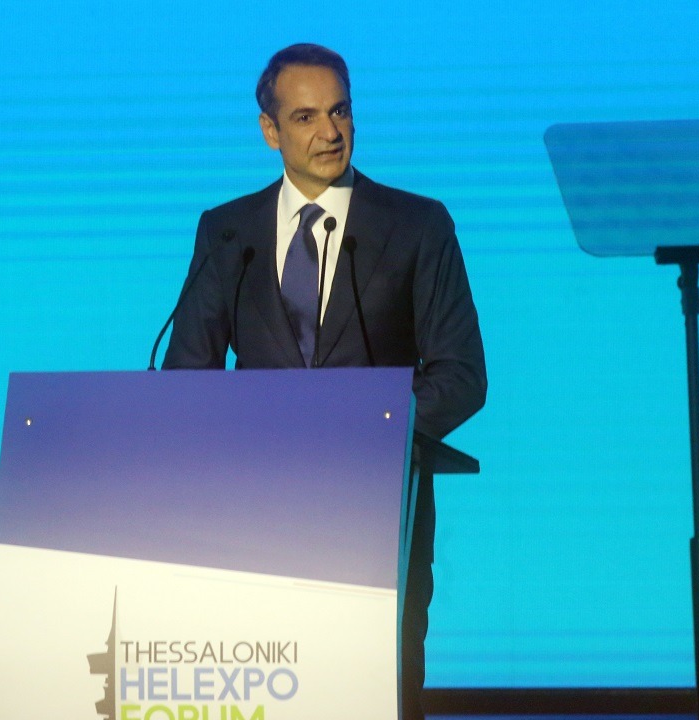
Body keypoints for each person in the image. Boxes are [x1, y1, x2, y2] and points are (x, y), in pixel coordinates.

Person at [162, 43, 487, 720]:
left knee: (380, 692)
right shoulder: (227, 233)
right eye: (306, 117)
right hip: (251, 513)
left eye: (340, 112)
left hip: (379, 508)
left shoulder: (417, 225)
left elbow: (461, 374)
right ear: (270, 130)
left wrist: (370, 434)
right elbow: (187, 378)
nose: (330, 132)